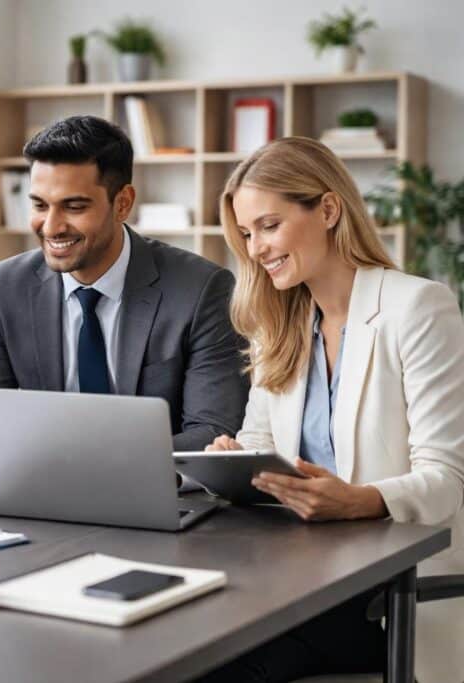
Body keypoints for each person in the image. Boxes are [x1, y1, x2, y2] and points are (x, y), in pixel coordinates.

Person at [198, 136, 464, 682]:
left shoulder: (416, 307)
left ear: (327, 209)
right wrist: (232, 460)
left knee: (219, 661)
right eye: (247, 234)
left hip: (383, 591)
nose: (255, 249)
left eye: (269, 226)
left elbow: (446, 479)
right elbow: (258, 444)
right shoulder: (284, 326)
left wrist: (360, 500)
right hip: (298, 575)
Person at [0, 115, 248, 467]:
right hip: (37, 492)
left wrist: (80, 461)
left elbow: (214, 430)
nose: (52, 226)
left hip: (152, 496)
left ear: (123, 203)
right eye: (40, 205)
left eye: (74, 207)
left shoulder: (200, 289)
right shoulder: (8, 285)